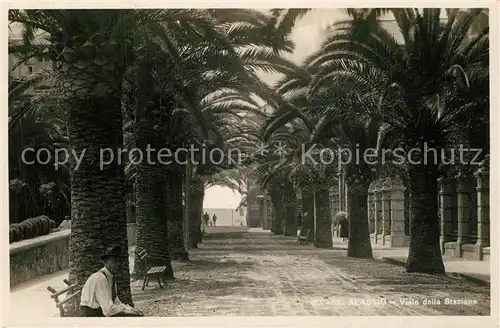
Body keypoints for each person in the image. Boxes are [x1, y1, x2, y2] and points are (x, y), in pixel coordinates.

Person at [79, 245, 143, 317]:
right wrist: (127, 311)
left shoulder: (110, 277)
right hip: (90, 316)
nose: (117, 264)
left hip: (99, 312)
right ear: (106, 262)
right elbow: (108, 310)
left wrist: (131, 309)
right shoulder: (101, 278)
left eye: (119, 261)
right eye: (114, 261)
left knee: (135, 315)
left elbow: (116, 301)